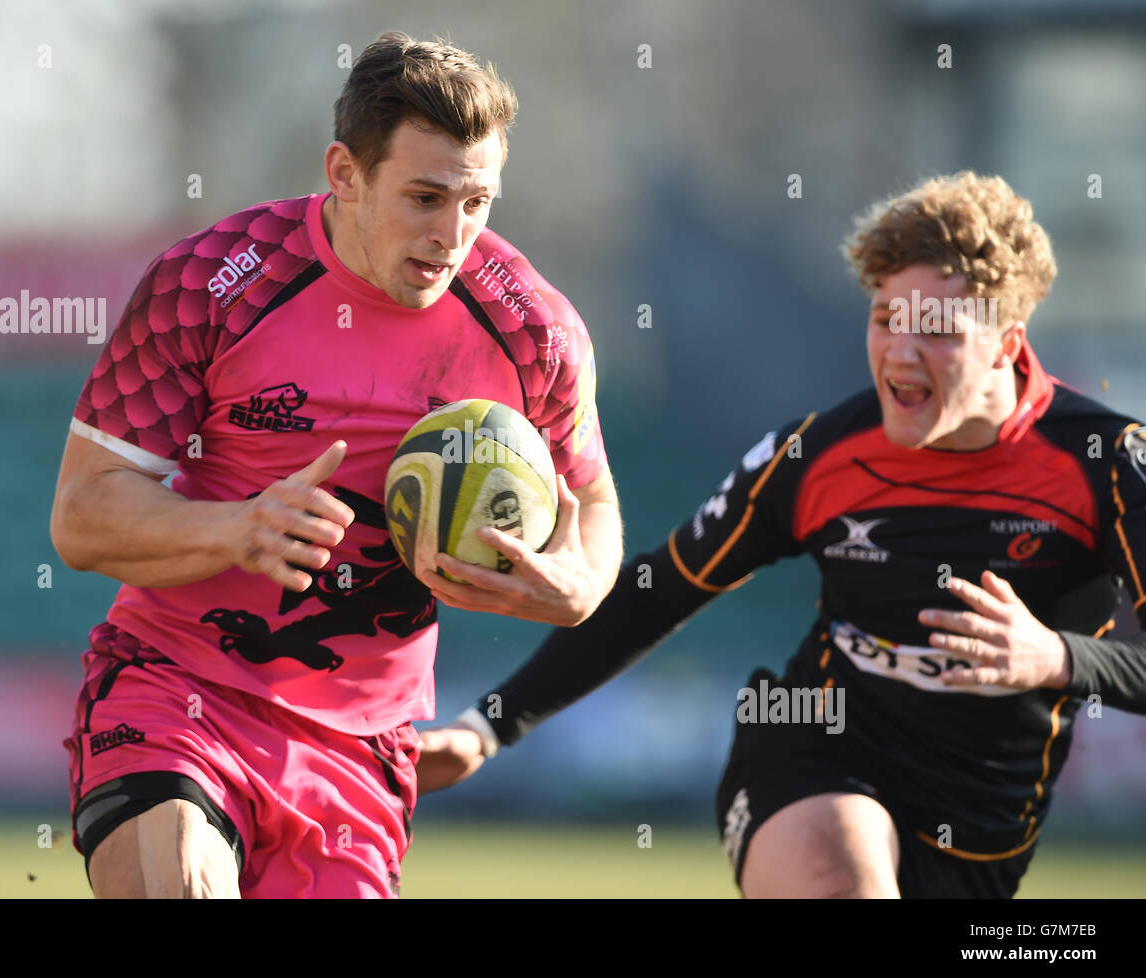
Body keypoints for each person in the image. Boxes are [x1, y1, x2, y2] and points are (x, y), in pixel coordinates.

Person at [417, 171, 1146, 898]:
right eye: (887, 318)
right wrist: (487, 728)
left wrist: (1055, 655)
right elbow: (659, 591)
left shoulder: (1107, 465)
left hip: (983, 832)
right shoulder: (818, 455)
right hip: (814, 755)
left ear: (1006, 344)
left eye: (937, 330)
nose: (899, 352)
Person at [49, 32, 622, 899]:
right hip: (178, 692)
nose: (452, 235)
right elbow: (83, 516)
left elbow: (593, 504)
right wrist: (238, 528)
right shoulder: (211, 282)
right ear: (345, 173)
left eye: (478, 203)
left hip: (361, 745)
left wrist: (580, 586)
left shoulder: (534, 331)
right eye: (425, 197)